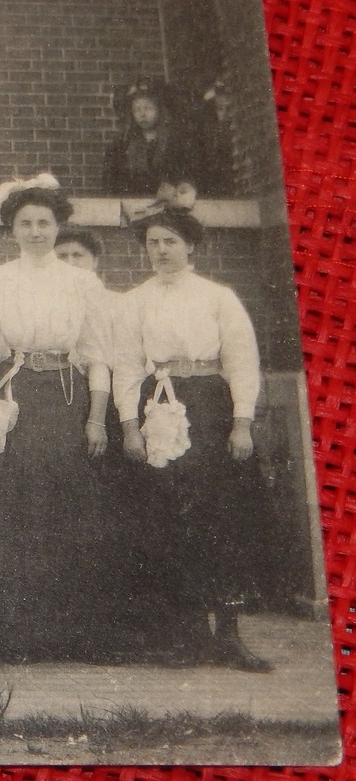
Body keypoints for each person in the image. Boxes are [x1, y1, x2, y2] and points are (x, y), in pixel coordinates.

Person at [114, 208, 273, 672]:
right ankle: (188, 637)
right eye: (153, 244)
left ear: (190, 247)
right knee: (169, 520)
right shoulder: (135, 301)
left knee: (222, 519)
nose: (161, 251)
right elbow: (126, 365)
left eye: (170, 242)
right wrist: (129, 427)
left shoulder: (218, 297)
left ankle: (229, 635)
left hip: (209, 405)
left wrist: (240, 422)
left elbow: (241, 360)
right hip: (158, 408)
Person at [0, 184, 116, 660]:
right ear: (12, 229)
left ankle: (71, 632)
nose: (35, 232)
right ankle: (18, 632)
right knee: (17, 503)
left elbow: (97, 354)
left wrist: (95, 419)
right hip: (18, 390)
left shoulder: (81, 282)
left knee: (69, 505)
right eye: (25, 223)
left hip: (67, 396)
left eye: (44, 223)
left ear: (57, 227)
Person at [102, 81, 201, 196]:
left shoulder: (175, 142)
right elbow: (110, 182)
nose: (142, 114)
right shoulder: (122, 143)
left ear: (159, 110)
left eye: (148, 108)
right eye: (137, 109)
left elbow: (187, 175)